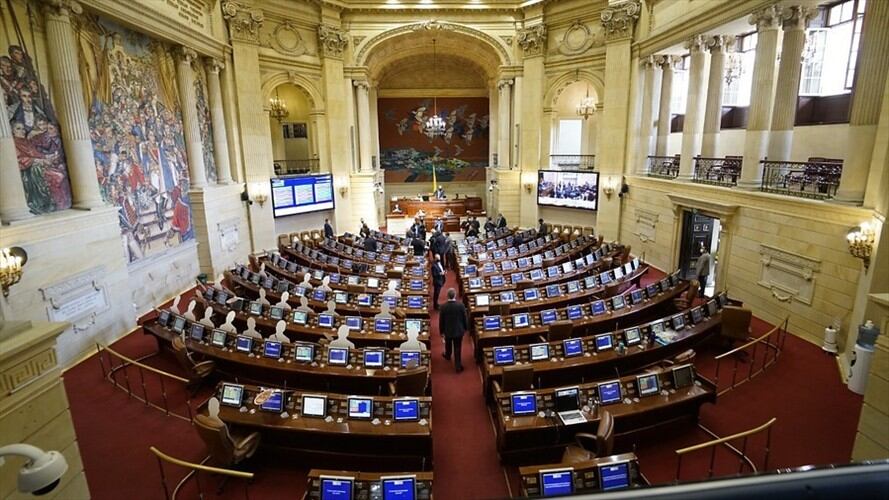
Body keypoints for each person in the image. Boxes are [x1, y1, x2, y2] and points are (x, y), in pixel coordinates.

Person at [439, 288, 467, 372]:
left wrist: (441, 331)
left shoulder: (443, 307)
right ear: (455, 295)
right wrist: (466, 328)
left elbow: (441, 321)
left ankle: (448, 355)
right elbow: (464, 318)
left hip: (448, 330)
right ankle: (458, 366)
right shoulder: (461, 305)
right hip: (459, 330)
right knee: (457, 348)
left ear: (447, 296)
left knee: (448, 344)